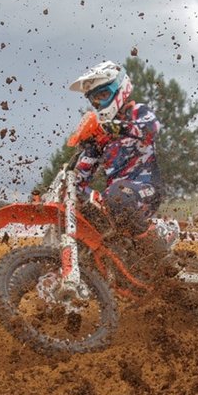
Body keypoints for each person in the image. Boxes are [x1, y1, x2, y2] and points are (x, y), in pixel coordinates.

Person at [67, 61, 166, 266]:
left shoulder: (137, 112)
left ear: (119, 90)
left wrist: (119, 128)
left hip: (146, 188)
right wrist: (69, 181)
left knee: (117, 196)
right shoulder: (101, 134)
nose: (99, 103)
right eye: (94, 100)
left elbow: (153, 128)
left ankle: (161, 252)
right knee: (77, 204)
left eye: (103, 95)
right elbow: (82, 174)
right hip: (116, 195)